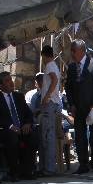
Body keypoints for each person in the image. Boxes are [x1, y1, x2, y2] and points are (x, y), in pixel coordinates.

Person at [0, 71, 39, 182]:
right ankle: (14, 172)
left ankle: (27, 170)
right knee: (13, 138)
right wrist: (11, 126)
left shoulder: (18, 96)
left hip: (21, 128)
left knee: (34, 137)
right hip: (6, 130)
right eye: (7, 81)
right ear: (1, 86)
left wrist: (27, 123)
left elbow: (28, 113)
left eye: (10, 79)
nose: (11, 83)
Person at [65, 39, 93, 174]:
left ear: (82, 50)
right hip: (78, 108)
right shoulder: (71, 68)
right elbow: (68, 88)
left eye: (73, 51)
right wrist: (71, 104)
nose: (71, 53)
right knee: (80, 136)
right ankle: (83, 164)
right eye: (71, 51)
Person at [29, 45, 61, 176]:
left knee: (47, 136)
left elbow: (54, 79)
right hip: (50, 104)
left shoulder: (49, 66)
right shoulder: (55, 66)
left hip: (50, 103)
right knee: (45, 136)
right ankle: (44, 166)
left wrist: (46, 96)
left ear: (43, 55)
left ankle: (49, 168)